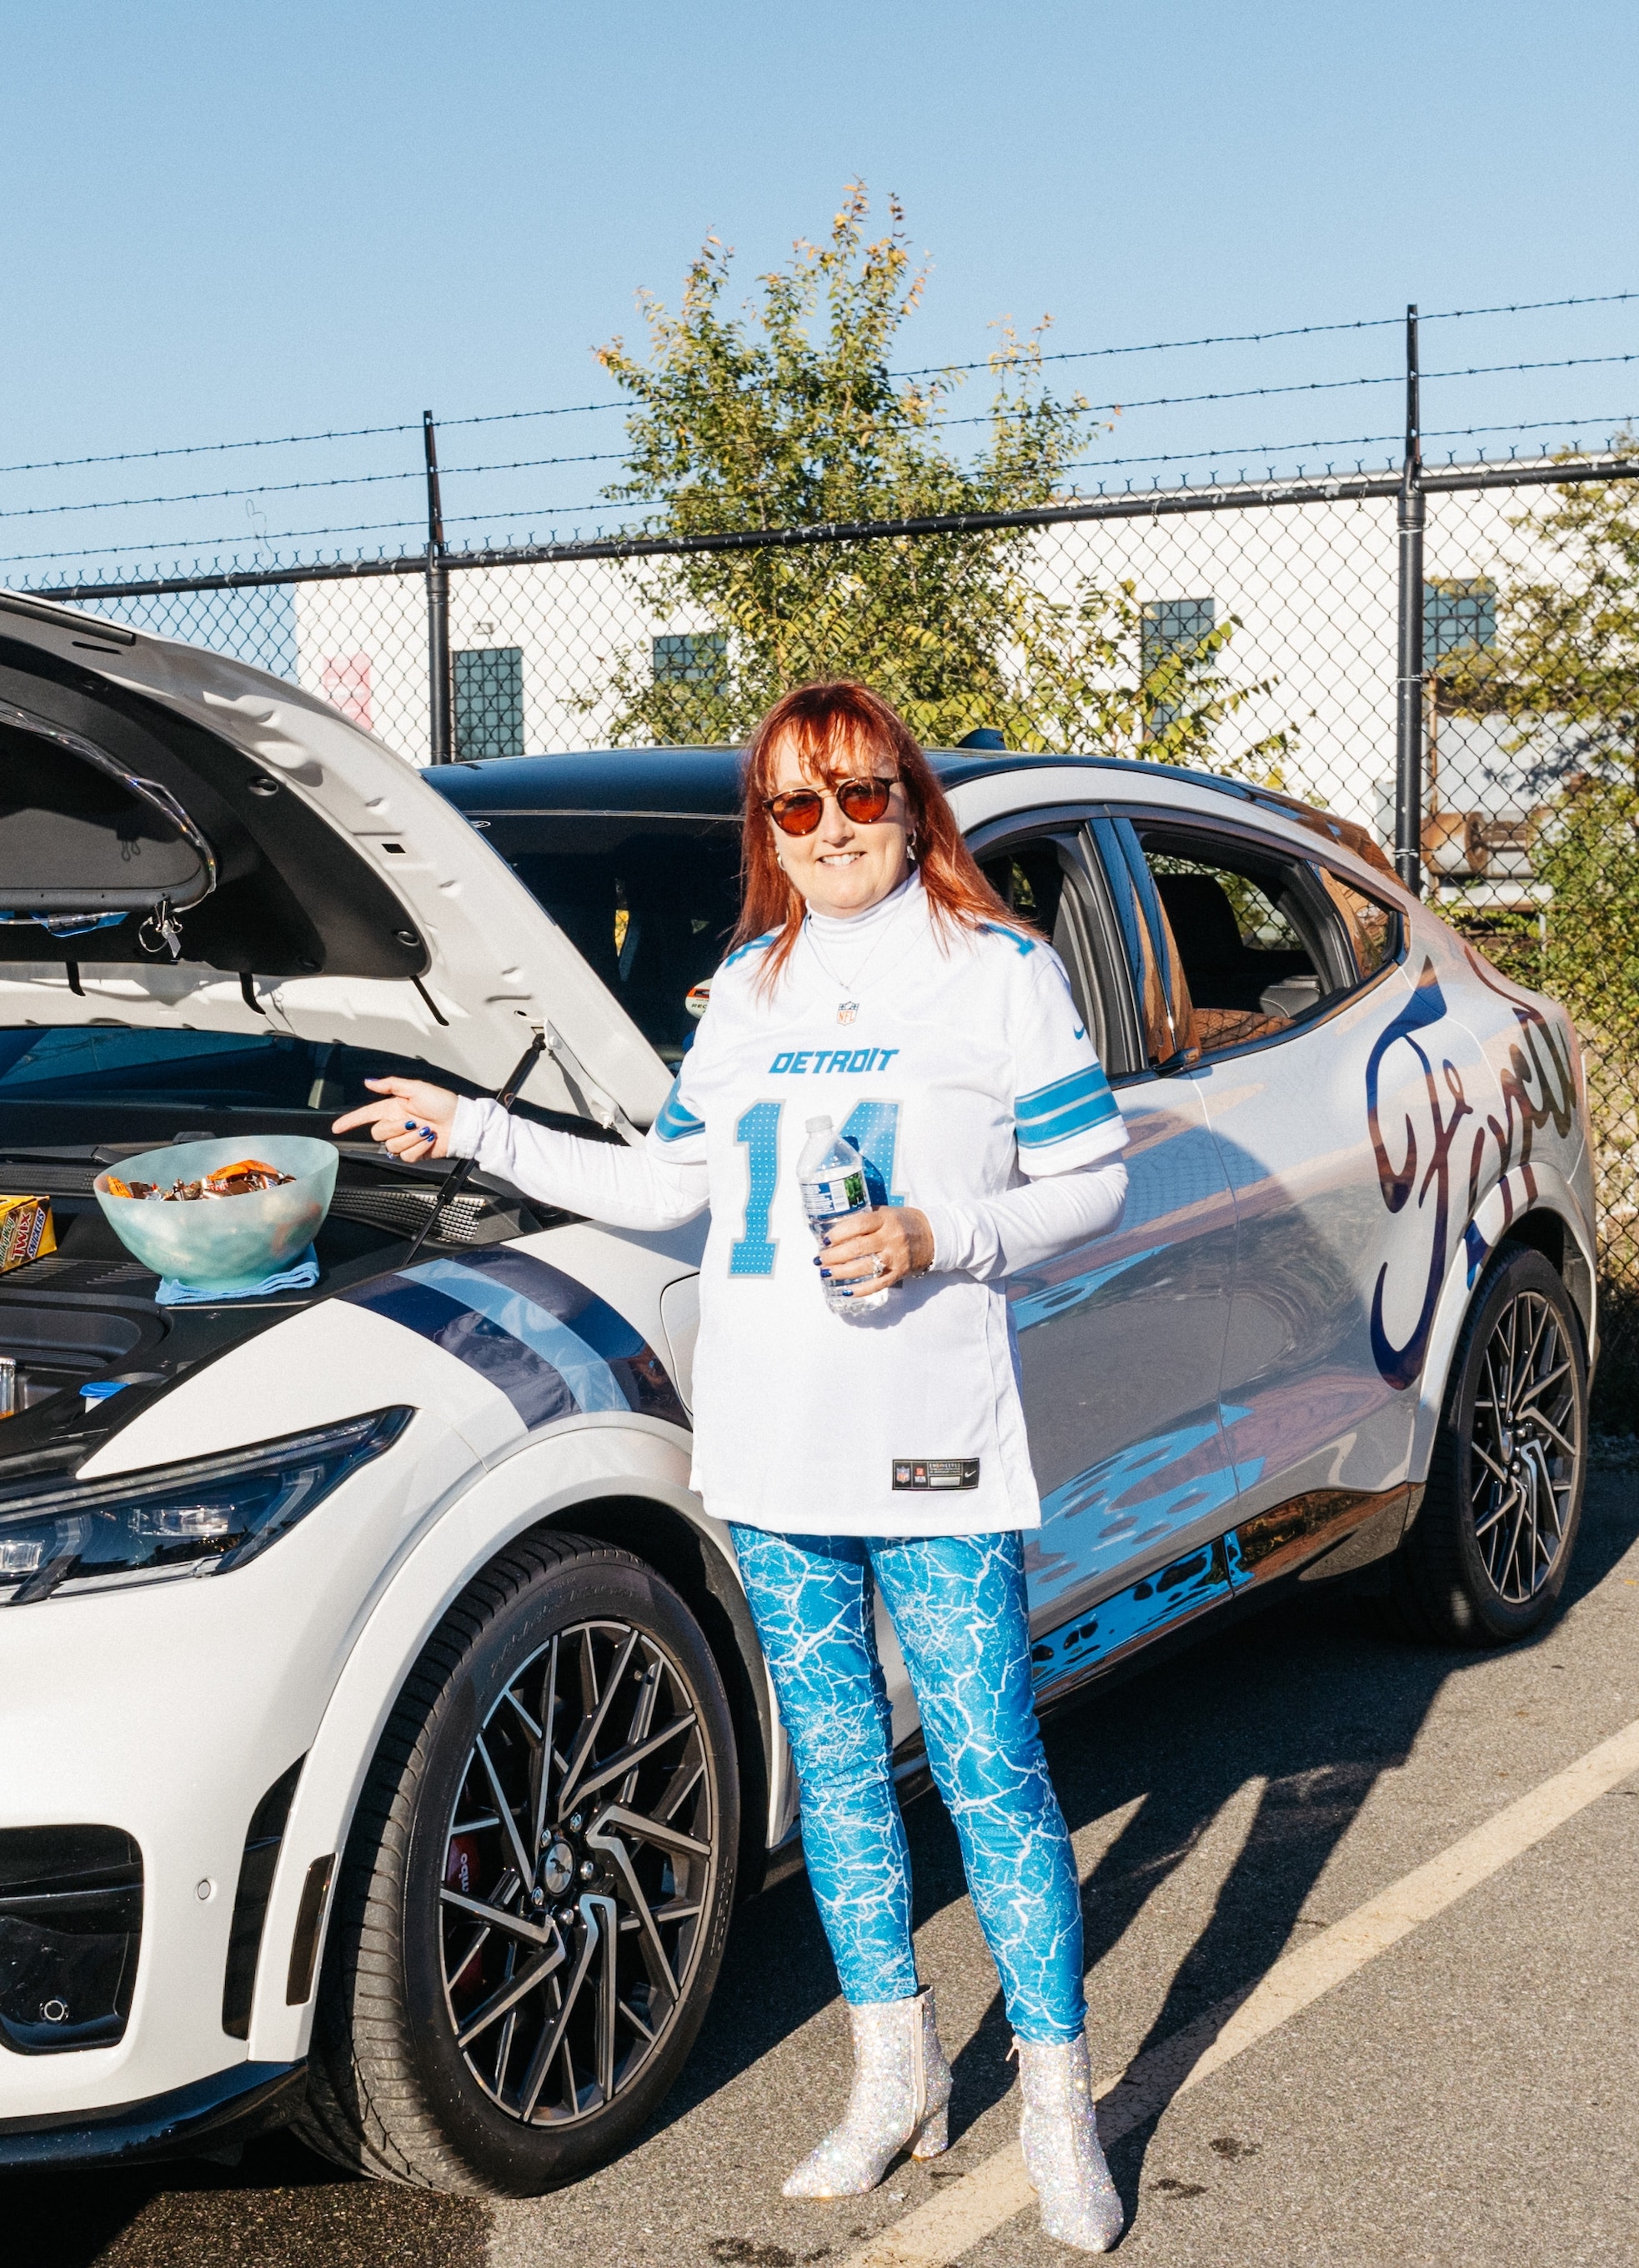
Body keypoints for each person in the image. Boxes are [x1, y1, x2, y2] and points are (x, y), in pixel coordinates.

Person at [334, 678, 1130, 2248]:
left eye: (860, 795)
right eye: (797, 805)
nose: (832, 830)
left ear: (911, 801)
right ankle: (891, 2077)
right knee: (834, 1783)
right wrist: (475, 1127)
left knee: (990, 1773)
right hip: (771, 1451)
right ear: (766, 827)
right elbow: (672, 1187)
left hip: (933, 1451)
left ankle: (1056, 2101)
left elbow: (1093, 1177)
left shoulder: (1002, 975)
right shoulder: (749, 986)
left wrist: (941, 1231)